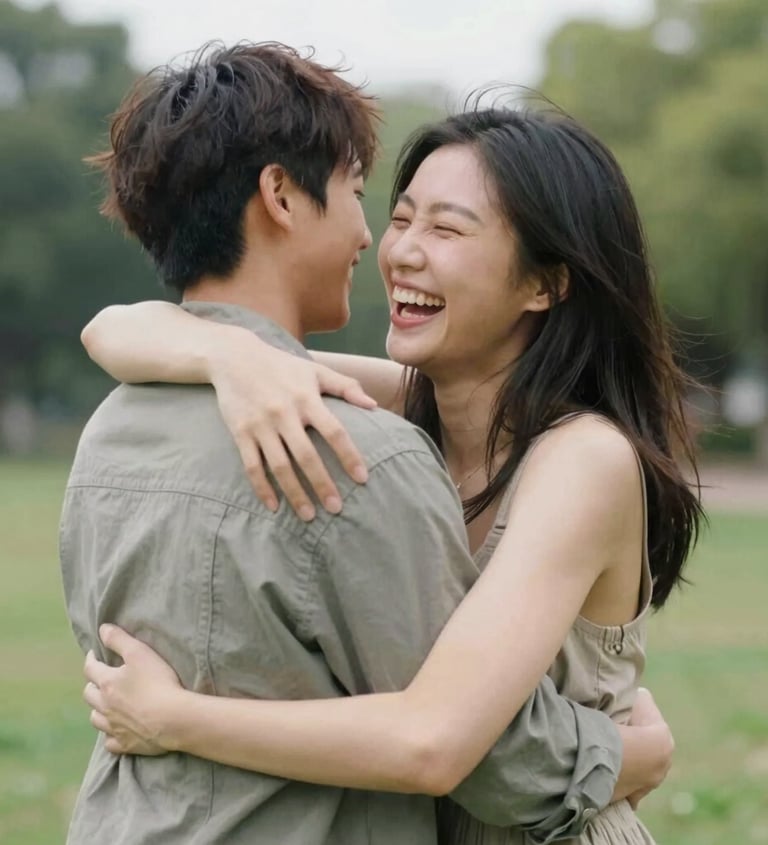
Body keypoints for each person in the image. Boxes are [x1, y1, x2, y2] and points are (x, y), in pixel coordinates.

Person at [59, 41, 671, 845]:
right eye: (399, 213)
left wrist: (176, 717)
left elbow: (436, 740)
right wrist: (225, 352)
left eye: (448, 229)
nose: (396, 247)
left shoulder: (580, 457)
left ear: (544, 282)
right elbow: (117, 328)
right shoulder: (400, 402)